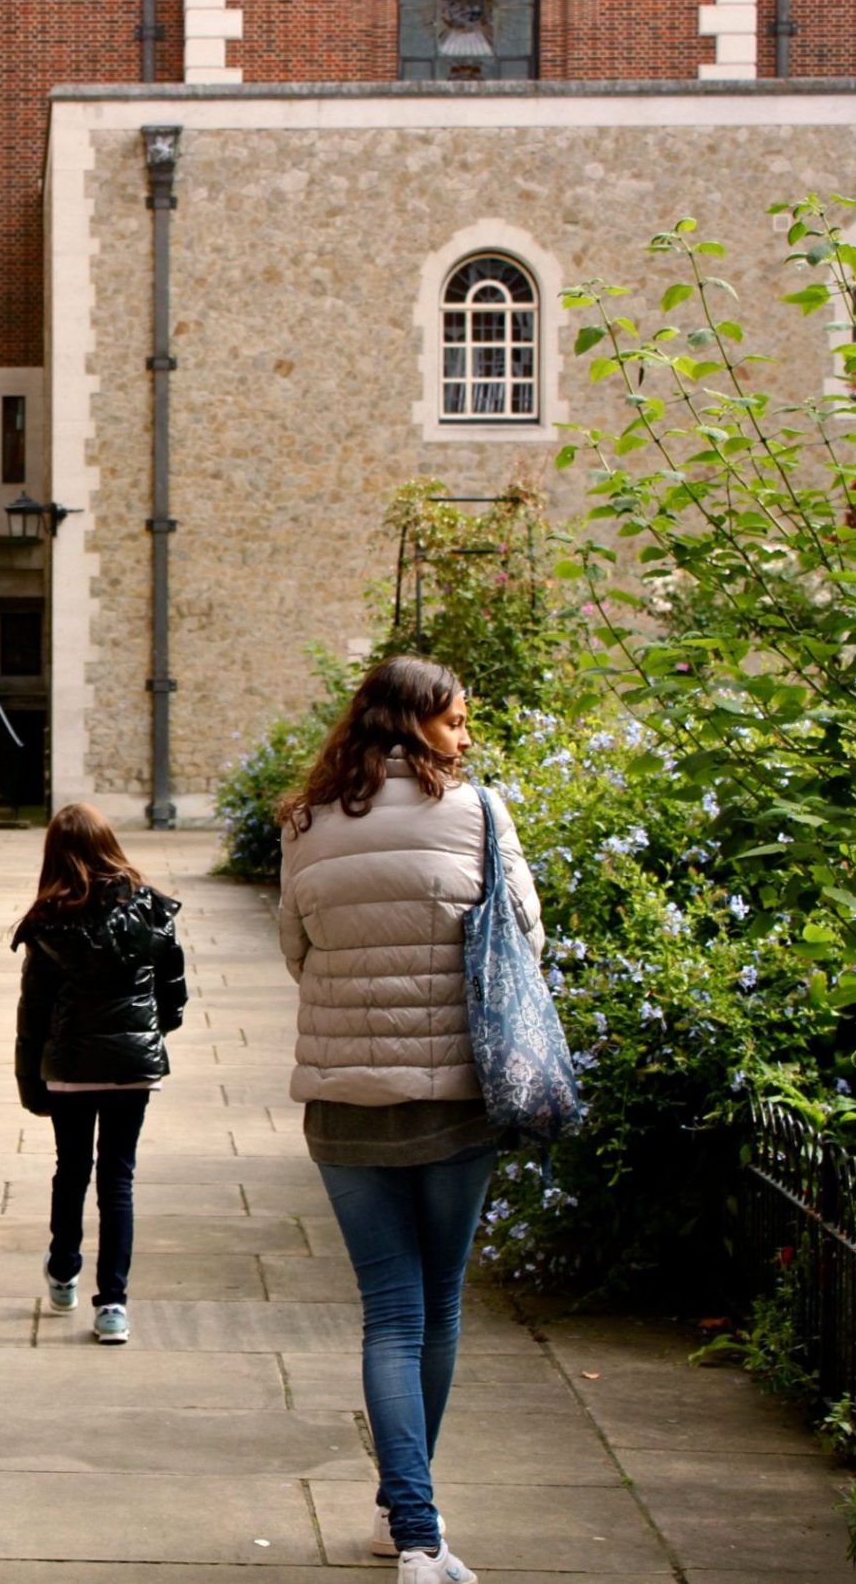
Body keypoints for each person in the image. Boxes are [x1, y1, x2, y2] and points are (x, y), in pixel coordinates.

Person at [277, 655, 542, 1584]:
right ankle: (411, 1527)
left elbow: (296, 951)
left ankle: (411, 1525)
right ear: (417, 724)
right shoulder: (480, 815)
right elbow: (525, 938)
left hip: (345, 1101)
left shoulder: (305, 821)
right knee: (437, 1305)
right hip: (456, 1099)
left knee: (388, 1313)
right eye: (457, 721)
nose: (465, 738)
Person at [11, 803, 186, 1347]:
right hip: (132, 1070)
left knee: (72, 1169)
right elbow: (173, 996)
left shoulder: (48, 923)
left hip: (69, 1066)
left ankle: (64, 1269)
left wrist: (30, 1084)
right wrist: (145, 1035)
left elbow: (32, 1015)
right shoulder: (151, 910)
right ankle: (112, 1303)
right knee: (119, 1180)